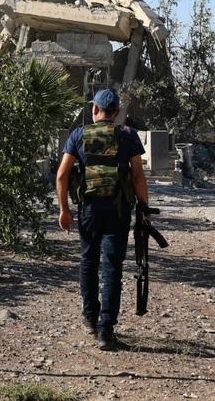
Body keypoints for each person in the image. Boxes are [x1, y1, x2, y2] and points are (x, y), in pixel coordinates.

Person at [55, 88, 149, 351]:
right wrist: (144, 208)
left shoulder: (78, 135)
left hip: (89, 210)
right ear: (116, 112)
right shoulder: (128, 135)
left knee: (88, 262)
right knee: (112, 268)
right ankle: (106, 330)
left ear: (94, 110)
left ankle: (90, 318)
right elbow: (138, 176)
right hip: (118, 211)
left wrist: (64, 210)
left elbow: (61, 175)